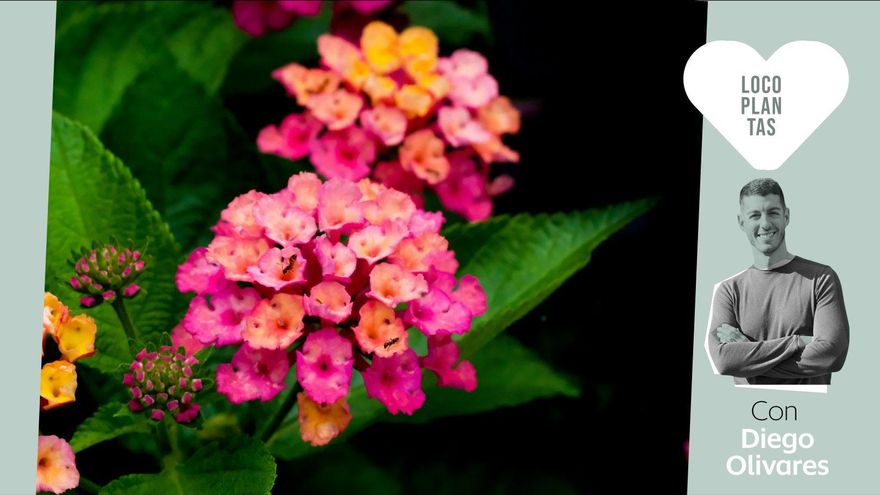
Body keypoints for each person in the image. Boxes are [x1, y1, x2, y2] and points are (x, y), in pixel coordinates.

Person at [706, 178, 849, 385]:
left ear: (786, 216)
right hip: (744, 411)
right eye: (755, 215)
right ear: (741, 222)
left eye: (772, 212)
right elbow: (724, 362)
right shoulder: (729, 291)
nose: (765, 224)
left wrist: (748, 357)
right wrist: (797, 342)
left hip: (810, 412)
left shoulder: (821, 278)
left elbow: (832, 356)